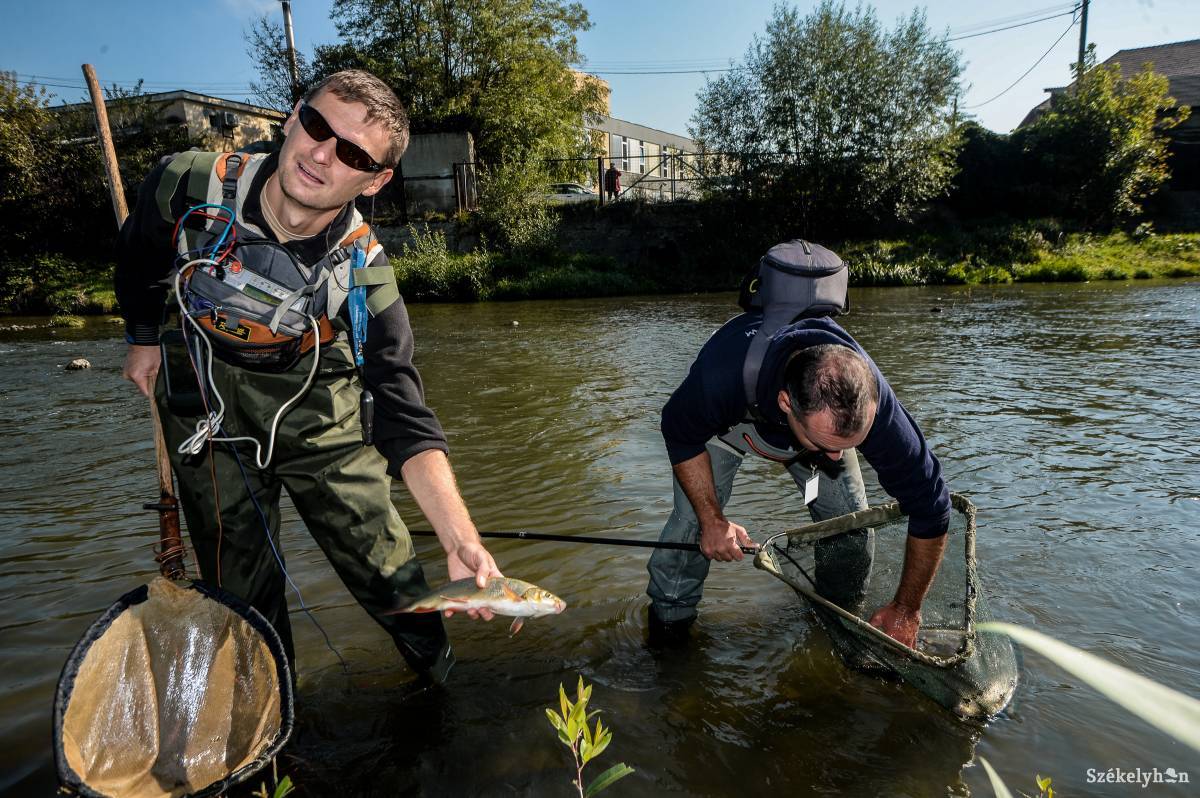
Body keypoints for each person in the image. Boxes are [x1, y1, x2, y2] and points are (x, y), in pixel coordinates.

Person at [115, 69, 501, 684]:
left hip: (317, 403)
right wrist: (141, 337)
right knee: (237, 591)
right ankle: (272, 725)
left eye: (352, 153)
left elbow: (403, 411)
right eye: (319, 126)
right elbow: (140, 256)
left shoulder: (367, 273)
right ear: (293, 117)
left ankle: (439, 679)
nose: (321, 154)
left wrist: (460, 538)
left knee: (385, 567)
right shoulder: (184, 181)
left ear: (375, 181)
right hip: (202, 397)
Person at [645, 244, 950, 650]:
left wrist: (907, 609)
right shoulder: (722, 374)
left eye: (849, 445)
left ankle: (837, 616)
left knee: (852, 527)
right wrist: (712, 518)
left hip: (812, 429)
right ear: (786, 403)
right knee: (690, 531)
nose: (838, 459)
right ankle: (670, 626)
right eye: (829, 445)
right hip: (735, 425)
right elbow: (679, 433)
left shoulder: (875, 409)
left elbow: (932, 506)